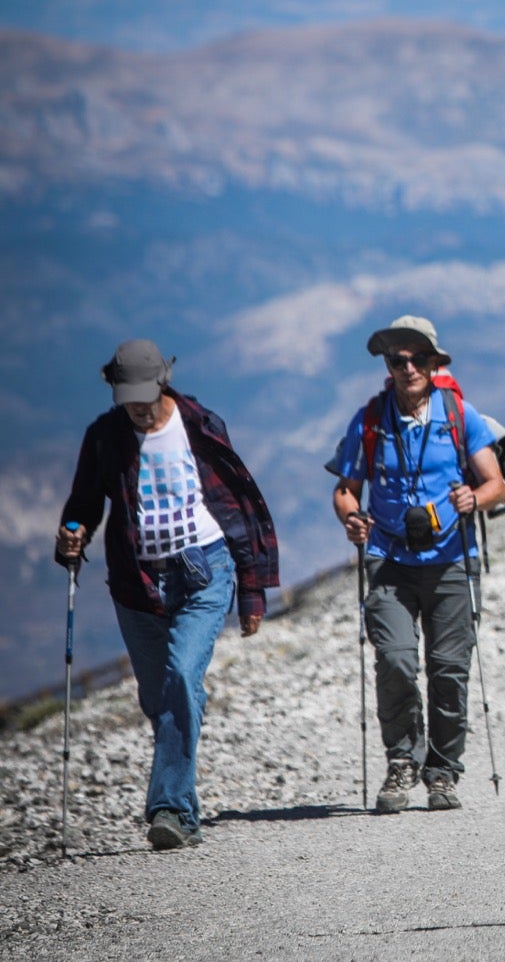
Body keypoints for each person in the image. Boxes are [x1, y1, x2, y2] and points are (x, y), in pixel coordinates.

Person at [55, 340, 279, 850]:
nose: (136, 404)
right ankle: (187, 813)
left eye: (144, 393)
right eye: (126, 394)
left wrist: (251, 592)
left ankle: (169, 809)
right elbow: (84, 503)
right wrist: (71, 532)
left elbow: (237, 508)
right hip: (136, 583)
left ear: (163, 382)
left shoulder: (198, 425)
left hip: (204, 568)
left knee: (181, 676)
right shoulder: (105, 437)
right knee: (162, 698)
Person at [330, 316, 505, 812]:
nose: (407, 368)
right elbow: (346, 489)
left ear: (434, 364)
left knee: (448, 670)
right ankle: (402, 762)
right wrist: (352, 519)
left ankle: (443, 771)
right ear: (388, 367)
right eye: (396, 360)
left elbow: (496, 484)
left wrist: (475, 498)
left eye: (416, 359)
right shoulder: (369, 419)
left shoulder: (459, 415)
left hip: (452, 559)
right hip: (389, 558)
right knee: (396, 660)